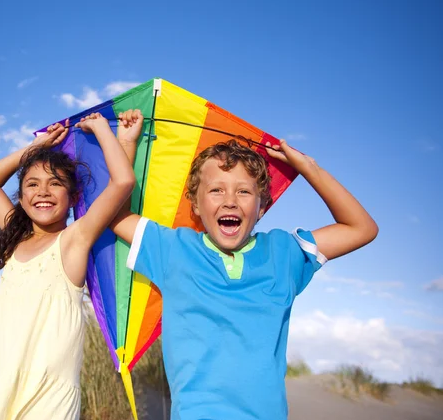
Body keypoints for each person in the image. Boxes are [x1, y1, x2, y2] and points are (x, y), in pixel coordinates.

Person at [112, 109, 378, 420]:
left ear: (262, 206)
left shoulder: (284, 253)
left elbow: (361, 228)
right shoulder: (174, 249)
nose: (230, 200)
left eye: (243, 191)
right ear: (195, 204)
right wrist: (126, 144)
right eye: (216, 190)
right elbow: (115, 214)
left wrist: (307, 167)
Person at [0, 113, 135, 420]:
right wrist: (36, 147)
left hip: (46, 394)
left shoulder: (73, 240)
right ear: (22, 198)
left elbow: (123, 182)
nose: (42, 191)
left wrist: (103, 130)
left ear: (72, 197)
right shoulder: (16, 238)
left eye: (55, 184)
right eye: (32, 184)